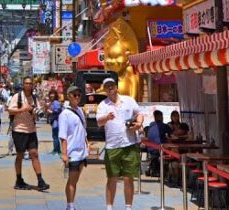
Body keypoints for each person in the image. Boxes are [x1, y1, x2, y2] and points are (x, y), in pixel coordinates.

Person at [97, 77, 143, 210]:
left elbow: (139, 113)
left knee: (129, 178)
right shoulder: (103, 105)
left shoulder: (128, 100)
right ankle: (109, 207)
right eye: (107, 87)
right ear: (104, 89)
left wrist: (138, 124)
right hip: (113, 146)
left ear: (116, 87)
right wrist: (107, 117)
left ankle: (128, 207)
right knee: (112, 178)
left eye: (112, 86)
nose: (110, 88)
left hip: (130, 144)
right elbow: (99, 122)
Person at [9, 77, 50, 190]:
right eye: (26, 83)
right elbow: (10, 110)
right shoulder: (17, 97)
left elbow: (36, 115)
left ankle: (40, 180)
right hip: (19, 130)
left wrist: (36, 113)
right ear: (23, 85)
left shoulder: (34, 98)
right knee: (20, 155)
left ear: (32, 85)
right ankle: (19, 179)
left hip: (31, 130)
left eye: (30, 83)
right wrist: (23, 109)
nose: (28, 85)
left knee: (34, 154)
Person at [58, 86, 90, 210]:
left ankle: (71, 204)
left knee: (75, 180)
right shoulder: (64, 114)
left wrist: (87, 143)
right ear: (69, 96)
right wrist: (64, 153)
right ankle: (70, 206)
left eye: (79, 95)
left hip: (82, 151)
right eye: (74, 95)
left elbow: (82, 129)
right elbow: (63, 136)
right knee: (71, 180)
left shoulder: (80, 111)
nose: (77, 97)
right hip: (72, 152)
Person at [145, 109, 172, 177]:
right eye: (161, 116)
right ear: (160, 117)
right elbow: (172, 134)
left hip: (150, 148)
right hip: (159, 149)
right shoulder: (164, 126)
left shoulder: (151, 125)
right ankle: (167, 170)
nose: (162, 118)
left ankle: (152, 167)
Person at [49, 90, 64, 155]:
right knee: (55, 136)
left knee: (55, 136)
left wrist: (50, 111)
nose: (51, 95)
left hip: (56, 121)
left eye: (53, 94)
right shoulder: (53, 102)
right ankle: (56, 150)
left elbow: (57, 111)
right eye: (50, 94)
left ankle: (56, 150)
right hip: (55, 121)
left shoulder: (55, 102)